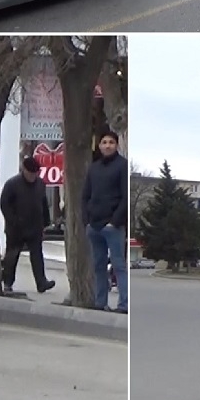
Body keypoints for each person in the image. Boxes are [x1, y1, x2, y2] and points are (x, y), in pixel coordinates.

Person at [82, 130, 128, 314]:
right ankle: (100, 302)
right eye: (104, 142)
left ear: (116, 145)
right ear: (99, 145)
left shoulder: (122, 165)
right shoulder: (94, 167)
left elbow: (125, 197)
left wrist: (115, 221)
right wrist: (87, 220)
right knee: (98, 265)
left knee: (118, 266)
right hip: (94, 225)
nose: (107, 145)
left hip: (112, 226)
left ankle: (123, 304)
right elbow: (85, 195)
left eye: (111, 142)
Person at [0, 157, 56, 295]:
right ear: (24, 170)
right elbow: (4, 204)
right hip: (16, 228)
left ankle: (41, 282)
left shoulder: (40, 184)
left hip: (34, 226)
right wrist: (12, 221)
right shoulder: (12, 184)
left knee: (37, 255)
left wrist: (46, 222)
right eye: (30, 173)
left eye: (35, 173)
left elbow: (43, 204)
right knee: (12, 255)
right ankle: (8, 282)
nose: (32, 176)